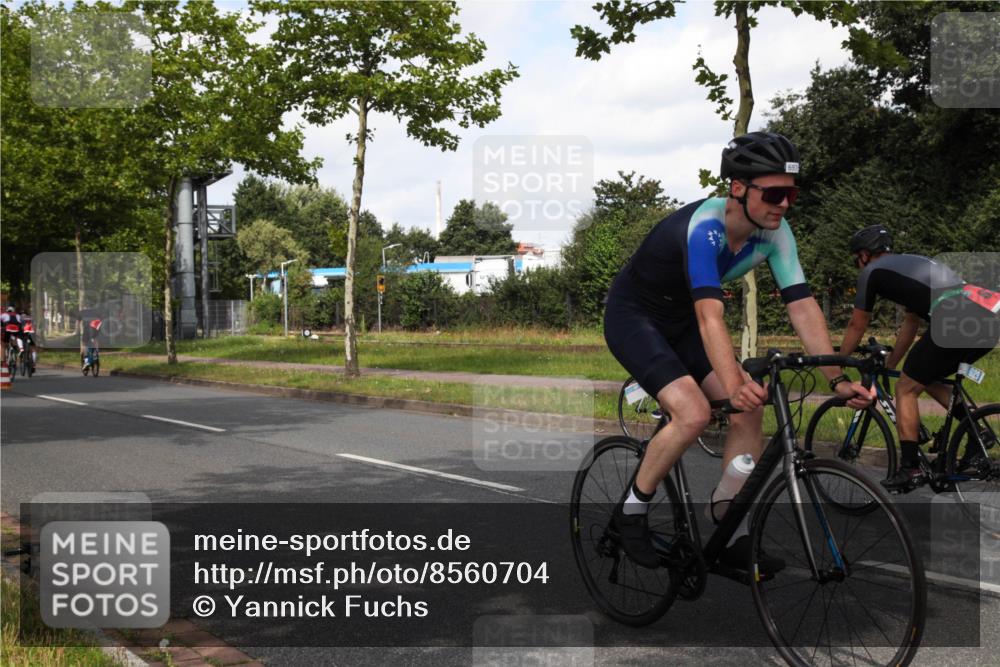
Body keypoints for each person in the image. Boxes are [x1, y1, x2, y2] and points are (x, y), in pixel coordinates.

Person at [603, 132, 873, 571]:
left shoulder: (776, 234)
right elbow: (711, 317)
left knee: (748, 410)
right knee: (693, 412)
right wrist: (732, 383)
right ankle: (630, 511)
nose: (784, 204)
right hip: (636, 318)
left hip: (685, 323)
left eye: (791, 195)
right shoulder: (704, 228)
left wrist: (837, 379)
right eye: (774, 194)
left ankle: (730, 528)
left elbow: (802, 306)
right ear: (738, 189)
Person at [838, 225, 1000, 489]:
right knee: (926, 377)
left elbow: (857, 324)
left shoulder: (871, 272)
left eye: (857, 258)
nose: (858, 264)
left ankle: (910, 468)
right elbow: (910, 327)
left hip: (955, 318)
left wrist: (839, 361)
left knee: (906, 389)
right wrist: (890, 365)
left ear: (865, 254)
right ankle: (976, 431)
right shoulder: (909, 265)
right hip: (985, 317)